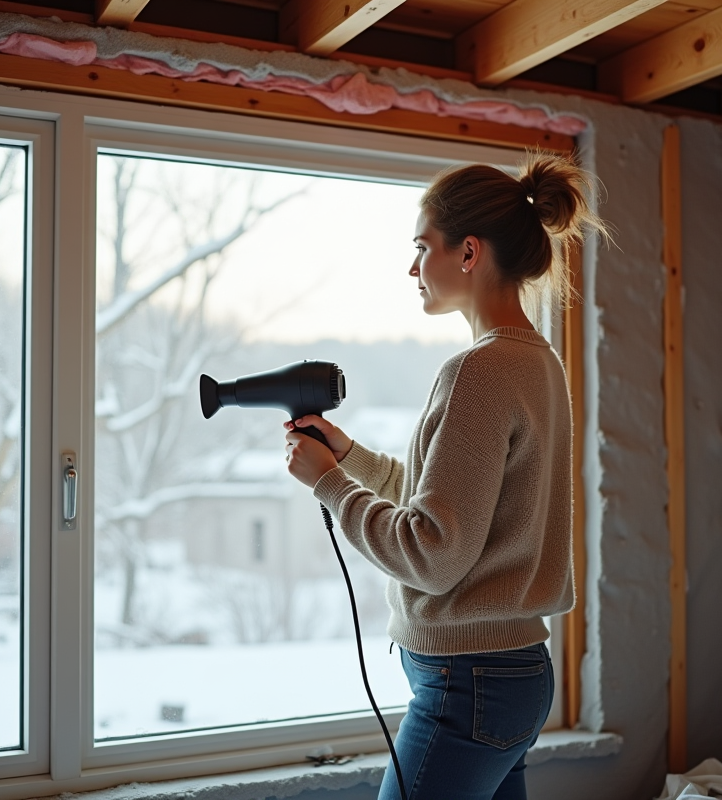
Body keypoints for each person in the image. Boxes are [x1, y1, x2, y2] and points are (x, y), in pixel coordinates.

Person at [282, 152, 604, 800]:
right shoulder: (538, 362)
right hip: (511, 678)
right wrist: (350, 459)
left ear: (468, 253)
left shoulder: (477, 372)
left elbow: (433, 553)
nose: (411, 268)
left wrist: (328, 485)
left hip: (468, 683)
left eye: (421, 246)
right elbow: (458, 505)